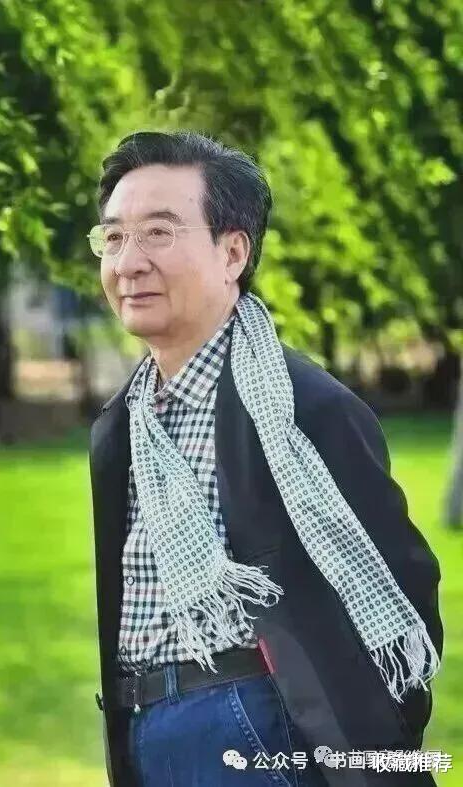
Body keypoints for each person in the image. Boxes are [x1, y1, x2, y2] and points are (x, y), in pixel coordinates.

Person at [87, 130, 444, 787]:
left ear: (233, 252)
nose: (128, 263)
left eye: (158, 233)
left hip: (261, 726)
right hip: (147, 731)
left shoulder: (304, 407)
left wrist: (367, 753)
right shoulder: (121, 426)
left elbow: (400, 589)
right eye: (113, 238)